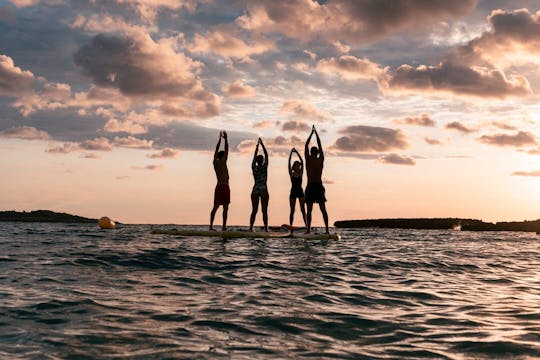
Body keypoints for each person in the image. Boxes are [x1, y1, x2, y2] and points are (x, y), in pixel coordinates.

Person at [305, 125, 329, 234]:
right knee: (322, 209)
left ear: (310, 152)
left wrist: (311, 134)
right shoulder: (320, 159)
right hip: (318, 186)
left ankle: (309, 230)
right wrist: (316, 135)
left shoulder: (308, 159)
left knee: (309, 210)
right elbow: (320, 145)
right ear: (318, 153)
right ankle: (327, 230)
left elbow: (306, 145)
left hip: (311, 186)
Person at [210, 131, 229, 231]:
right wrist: (225, 139)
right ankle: (223, 226)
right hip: (224, 187)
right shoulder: (223, 161)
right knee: (225, 208)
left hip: (219, 186)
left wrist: (219, 140)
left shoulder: (215, 162)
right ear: (223, 156)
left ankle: (211, 226)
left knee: (215, 207)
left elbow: (216, 151)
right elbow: (226, 150)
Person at [249, 138, 269, 232]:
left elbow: (254, 159)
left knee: (254, 210)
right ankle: (265, 229)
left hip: (256, 189)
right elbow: (267, 155)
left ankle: (250, 228)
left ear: (257, 161)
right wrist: (263, 145)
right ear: (263, 160)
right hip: (263, 189)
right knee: (264, 210)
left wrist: (257, 148)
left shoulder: (254, 167)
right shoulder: (265, 167)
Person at [288, 147, 307, 228]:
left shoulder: (301, 173)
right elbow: (288, 163)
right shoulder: (291, 174)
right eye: (296, 165)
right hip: (293, 192)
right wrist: (291, 154)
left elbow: (302, 162)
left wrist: (297, 152)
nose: (298, 167)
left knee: (303, 210)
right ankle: (291, 226)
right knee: (292, 210)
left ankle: (307, 225)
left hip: (300, 192)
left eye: (299, 166)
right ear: (294, 166)